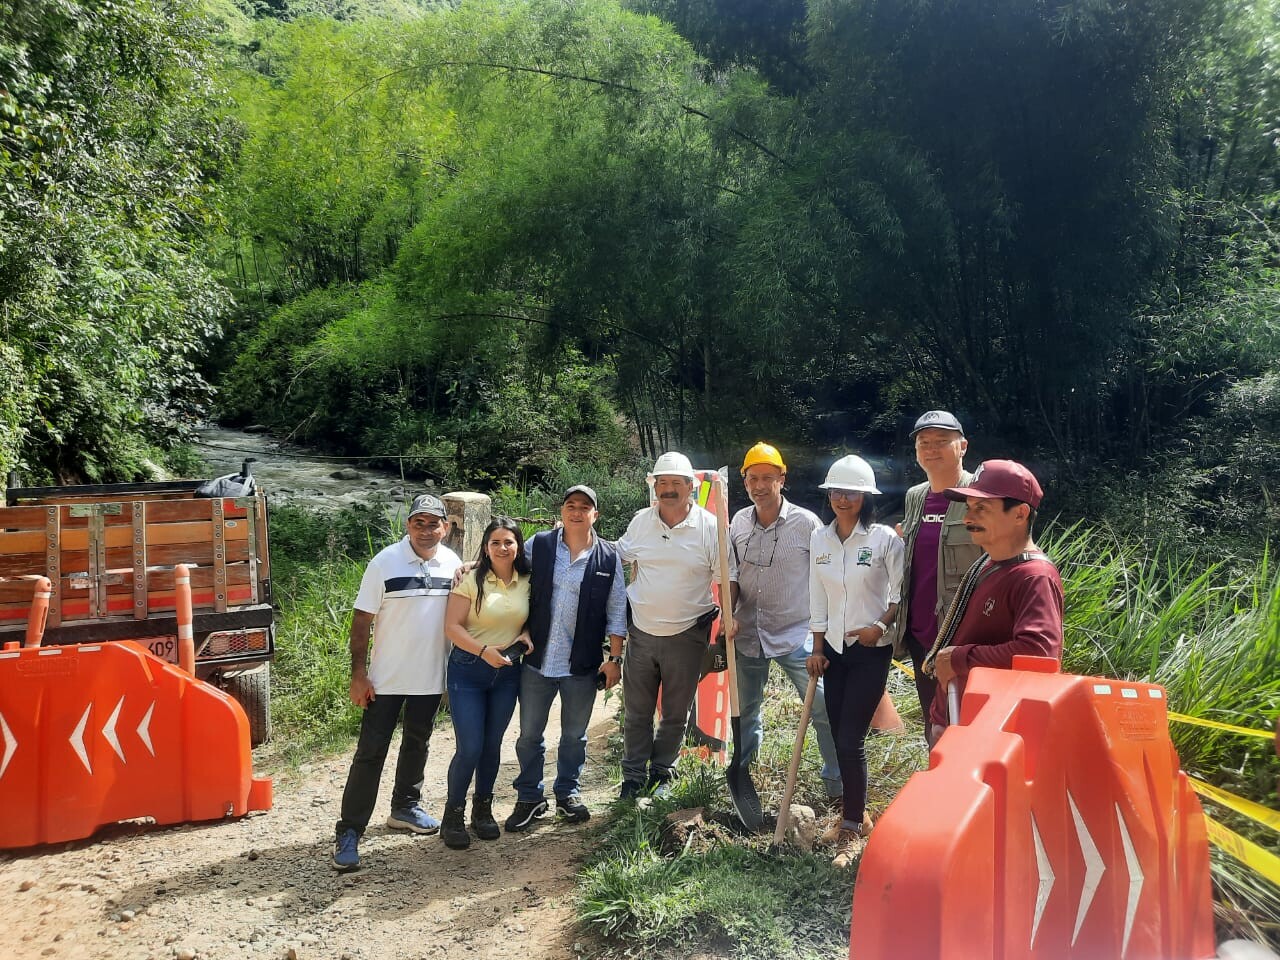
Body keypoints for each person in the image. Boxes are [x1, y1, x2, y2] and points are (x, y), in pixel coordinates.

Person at [332, 494, 461, 872]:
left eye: (433, 523)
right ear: (408, 525)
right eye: (418, 522)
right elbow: (361, 621)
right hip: (385, 680)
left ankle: (404, 807)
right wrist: (358, 674)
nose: (426, 530)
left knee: (418, 742)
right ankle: (350, 829)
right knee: (370, 753)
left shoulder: (451, 563)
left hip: (429, 677)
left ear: (445, 527)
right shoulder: (384, 562)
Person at [505, 484, 627, 832]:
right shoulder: (539, 544)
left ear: (595, 515)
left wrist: (614, 659)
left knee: (575, 736)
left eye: (584, 507)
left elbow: (617, 610)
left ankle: (567, 794)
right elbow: (505, 566)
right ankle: (529, 797)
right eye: (570, 505)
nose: (576, 511)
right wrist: (471, 566)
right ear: (562, 511)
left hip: (582, 664)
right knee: (529, 734)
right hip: (537, 659)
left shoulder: (608, 557)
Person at [728, 442, 842, 800]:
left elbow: (828, 575)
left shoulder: (806, 523)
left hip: (796, 633)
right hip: (747, 633)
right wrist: (727, 616)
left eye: (767, 478)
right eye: (752, 478)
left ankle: (837, 784)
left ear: (782, 479)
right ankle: (744, 776)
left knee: (823, 706)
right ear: (744, 482)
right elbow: (730, 574)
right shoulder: (736, 522)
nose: (759, 485)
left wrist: (824, 631)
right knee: (746, 709)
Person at [806, 455, 904, 868]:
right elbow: (817, 595)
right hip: (833, 650)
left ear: (865, 497)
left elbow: (899, 597)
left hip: (869, 651)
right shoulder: (820, 539)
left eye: (851, 492)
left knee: (850, 739)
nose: (842, 499)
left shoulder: (884, 540)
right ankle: (855, 816)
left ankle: (850, 823)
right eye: (835, 492)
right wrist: (815, 648)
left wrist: (877, 628)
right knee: (838, 731)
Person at [616, 451, 729, 799]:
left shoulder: (710, 528)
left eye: (675, 484)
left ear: (690, 488)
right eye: (661, 483)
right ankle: (633, 777)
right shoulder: (641, 522)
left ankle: (662, 773)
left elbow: (724, 579)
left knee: (676, 713)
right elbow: (615, 557)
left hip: (687, 635)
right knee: (637, 712)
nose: (668, 490)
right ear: (653, 487)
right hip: (642, 634)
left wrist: (728, 621)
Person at [923, 460, 1063, 742]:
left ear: (1020, 514)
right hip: (958, 717)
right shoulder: (988, 563)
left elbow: (1039, 654)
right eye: (969, 508)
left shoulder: (1034, 576)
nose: (967, 519)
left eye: (982, 509)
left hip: (990, 733)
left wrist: (960, 658)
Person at [441, 517, 532, 850]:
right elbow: (452, 626)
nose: (503, 548)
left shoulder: (527, 580)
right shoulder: (470, 580)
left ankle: (483, 810)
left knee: (492, 744)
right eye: (495, 542)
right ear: (485, 547)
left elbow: (534, 616)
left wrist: (528, 633)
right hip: (469, 669)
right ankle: (452, 815)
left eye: (508, 542)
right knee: (471, 747)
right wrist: (482, 650)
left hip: (507, 673)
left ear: (518, 546)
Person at [895, 411, 983, 737]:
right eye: (924, 443)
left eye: (941, 442)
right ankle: (939, 784)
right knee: (935, 725)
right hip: (922, 637)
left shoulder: (981, 493)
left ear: (962, 446)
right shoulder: (915, 497)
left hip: (966, 639)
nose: (931, 449)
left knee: (970, 727)